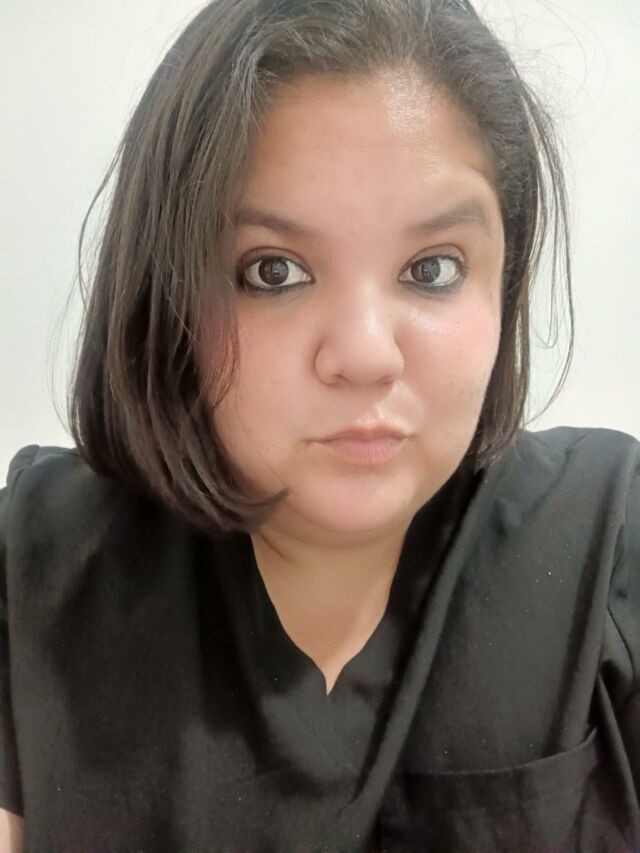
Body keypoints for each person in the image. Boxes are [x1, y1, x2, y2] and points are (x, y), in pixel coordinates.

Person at [1, 0, 638, 849]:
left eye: (433, 268)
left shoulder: (609, 535)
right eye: (274, 271)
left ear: (505, 281)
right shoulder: (40, 564)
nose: (365, 355)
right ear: (170, 295)